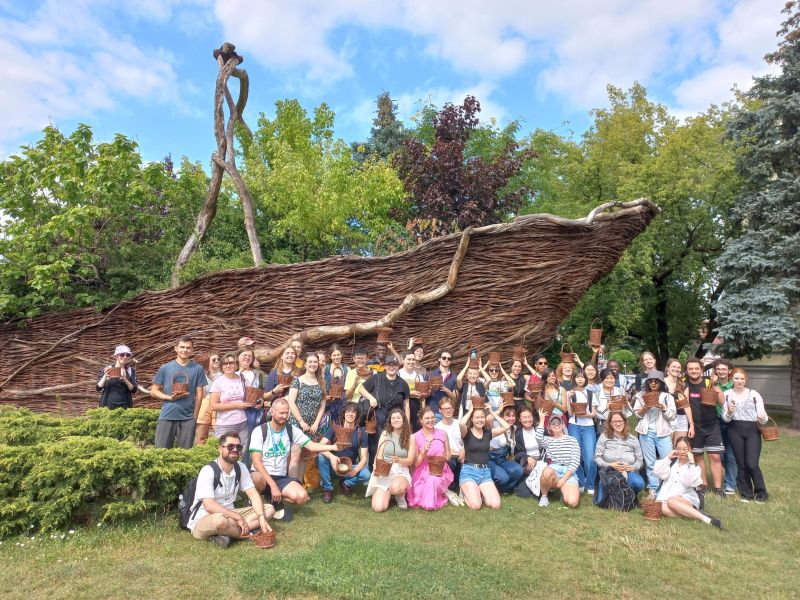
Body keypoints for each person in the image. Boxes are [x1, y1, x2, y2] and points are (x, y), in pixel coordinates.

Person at [250, 398, 337, 515]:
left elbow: (312, 446)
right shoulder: (259, 431)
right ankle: (254, 501)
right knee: (256, 479)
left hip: (280, 476)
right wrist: (272, 485)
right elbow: (256, 462)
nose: (284, 416)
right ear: (272, 411)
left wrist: (333, 448)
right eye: (281, 413)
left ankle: (270, 497)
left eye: (287, 413)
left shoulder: (292, 430)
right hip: (261, 474)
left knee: (302, 497)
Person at [187, 431, 274, 548]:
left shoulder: (240, 467)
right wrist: (237, 517)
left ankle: (227, 534)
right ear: (220, 449)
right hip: (204, 518)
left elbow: (253, 494)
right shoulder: (208, 471)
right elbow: (209, 506)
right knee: (221, 521)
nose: (235, 450)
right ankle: (250, 534)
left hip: (230, 516)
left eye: (238, 447)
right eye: (230, 446)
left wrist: (261, 517)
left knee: (269, 509)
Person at [722, 368, 770, 502]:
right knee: (741, 463)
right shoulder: (727, 394)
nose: (739, 381)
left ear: (746, 379)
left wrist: (761, 417)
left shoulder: (754, 394)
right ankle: (746, 493)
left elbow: (764, 418)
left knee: (752, 463)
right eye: (736, 378)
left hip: (752, 430)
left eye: (742, 378)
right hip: (734, 430)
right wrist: (730, 412)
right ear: (732, 379)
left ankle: (761, 493)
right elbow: (725, 419)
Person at [151, 336, 208, 449]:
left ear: (192, 350)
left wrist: (194, 417)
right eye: (182, 347)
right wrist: (168, 398)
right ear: (176, 348)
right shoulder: (165, 368)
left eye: (188, 348)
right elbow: (153, 391)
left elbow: (200, 394)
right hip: (167, 415)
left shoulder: (198, 368)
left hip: (187, 418)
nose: (185, 350)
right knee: (161, 453)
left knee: (185, 455)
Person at [654, 437, 723, 529]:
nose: (681, 451)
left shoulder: (694, 467)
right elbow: (659, 473)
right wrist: (668, 458)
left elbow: (688, 482)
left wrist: (691, 462)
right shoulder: (671, 463)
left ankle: (707, 519)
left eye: (685, 449)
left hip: (686, 498)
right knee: (660, 507)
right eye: (678, 449)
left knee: (672, 501)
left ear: (690, 450)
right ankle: (693, 514)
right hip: (667, 496)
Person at [683, 357, 725, 497]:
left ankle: (719, 489)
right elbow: (685, 405)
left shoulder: (708, 382)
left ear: (701, 370)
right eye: (690, 369)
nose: (693, 371)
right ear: (687, 371)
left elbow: (722, 401)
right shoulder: (684, 384)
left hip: (712, 425)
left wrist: (714, 384)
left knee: (715, 457)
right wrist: (691, 425)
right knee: (698, 457)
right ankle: (703, 486)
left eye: (696, 368)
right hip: (695, 428)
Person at [358, 354, 410, 465]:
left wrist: (407, 423)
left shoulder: (403, 384)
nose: (392, 367)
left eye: (394, 365)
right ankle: (375, 470)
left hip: (395, 419)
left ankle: (391, 470)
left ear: (398, 367)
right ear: (385, 366)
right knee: (375, 445)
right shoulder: (376, 378)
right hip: (378, 416)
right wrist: (371, 397)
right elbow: (361, 389)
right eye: (389, 365)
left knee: (392, 444)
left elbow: (406, 405)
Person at [459, 405, 511, 510]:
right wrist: (471, 410)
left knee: (495, 505)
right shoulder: (466, 433)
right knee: (476, 506)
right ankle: (464, 493)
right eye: (477, 417)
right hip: (469, 472)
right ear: (472, 419)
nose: (480, 420)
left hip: (485, 473)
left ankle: (478, 492)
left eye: (482, 417)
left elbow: (506, 426)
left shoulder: (488, 433)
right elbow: (461, 423)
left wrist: (492, 412)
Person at [632, 371, 675, 498]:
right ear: (647, 382)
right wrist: (645, 407)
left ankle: (668, 488)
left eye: (656, 381)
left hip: (663, 433)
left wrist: (664, 408)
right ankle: (654, 489)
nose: (653, 383)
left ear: (661, 383)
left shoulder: (667, 397)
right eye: (651, 381)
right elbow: (637, 415)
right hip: (646, 433)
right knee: (650, 463)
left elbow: (672, 416)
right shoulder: (641, 395)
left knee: (667, 461)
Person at [316, 403, 370, 503]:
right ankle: (328, 488)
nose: (351, 414)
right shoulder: (335, 428)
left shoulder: (361, 432)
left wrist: (356, 469)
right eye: (348, 411)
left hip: (348, 468)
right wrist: (332, 457)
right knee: (321, 456)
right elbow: (320, 446)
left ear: (357, 415)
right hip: (333, 466)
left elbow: (364, 458)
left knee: (366, 475)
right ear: (344, 413)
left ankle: (346, 483)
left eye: (354, 412)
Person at [366, 408, 418, 512]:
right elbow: (379, 454)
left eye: (398, 418)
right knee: (378, 508)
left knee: (396, 488)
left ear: (403, 420)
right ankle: (388, 493)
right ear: (390, 421)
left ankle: (399, 495)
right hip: (385, 470)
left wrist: (399, 460)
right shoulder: (385, 434)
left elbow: (411, 460)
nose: (396, 420)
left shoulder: (411, 438)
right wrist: (376, 466)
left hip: (400, 471)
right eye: (393, 418)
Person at [286, 352, 327, 480]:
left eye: (315, 362)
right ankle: (290, 484)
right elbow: (291, 402)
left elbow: (322, 405)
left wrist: (316, 423)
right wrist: (301, 421)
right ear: (305, 364)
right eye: (310, 362)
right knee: (295, 455)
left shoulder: (321, 381)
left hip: (312, 426)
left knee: (305, 456)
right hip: (297, 423)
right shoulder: (297, 380)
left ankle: (300, 484)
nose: (313, 364)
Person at [208, 352, 254, 458]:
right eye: (225, 363)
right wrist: (236, 405)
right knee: (225, 454)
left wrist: (257, 402)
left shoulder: (243, 379)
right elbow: (213, 405)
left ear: (236, 365)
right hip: (225, 424)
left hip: (243, 423)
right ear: (221, 366)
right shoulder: (218, 382)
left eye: (231, 363)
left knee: (241, 454)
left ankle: (240, 474)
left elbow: (249, 396)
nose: (228, 365)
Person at [408, 406, 454, 510]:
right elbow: (416, 464)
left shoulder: (442, 434)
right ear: (421, 421)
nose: (430, 420)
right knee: (418, 494)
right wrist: (423, 452)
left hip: (440, 471)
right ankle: (439, 494)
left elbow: (448, 455)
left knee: (432, 481)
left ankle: (429, 504)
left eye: (432, 417)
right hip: (422, 471)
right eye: (427, 418)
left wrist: (445, 457)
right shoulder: (415, 437)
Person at [593, 413, 645, 506]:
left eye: (620, 421)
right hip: (609, 473)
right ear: (610, 423)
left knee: (639, 483)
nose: (617, 424)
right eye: (614, 421)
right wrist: (610, 465)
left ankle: (628, 495)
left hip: (628, 472)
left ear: (625, 422)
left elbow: (640, 461)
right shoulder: (603, 437)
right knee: (600, 502)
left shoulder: (633, 440)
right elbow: (597, 458)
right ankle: (617, 495)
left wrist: (631, 467)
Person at [534, 412, 581, 508]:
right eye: (553, 423)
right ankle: (544, 497)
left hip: (568, 472)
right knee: (546, 471)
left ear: (563, 425)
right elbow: (538, 437)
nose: (556, 424)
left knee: (572, 503)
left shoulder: (572, 440)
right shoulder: (548, 440)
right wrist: (542, 419)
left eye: (559, 422)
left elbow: (575, 462)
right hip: (554, 469)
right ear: (549, 427)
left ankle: (563, 493)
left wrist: (564, 479)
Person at [566, 369, 597, 495]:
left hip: (588, 426)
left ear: (585, 379)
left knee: (589, 457)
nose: (580, 379)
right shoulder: (570, 392)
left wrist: (586, 414)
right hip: (574, 425)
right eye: (577, 377)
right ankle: (580, 482)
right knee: (576, 456)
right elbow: (569, 413)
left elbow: (594, 413)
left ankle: (590, 484)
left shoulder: (590, 393)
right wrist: (568, 399)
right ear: (574, 379)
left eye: (582, 377)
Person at [713, 359, 737, 496]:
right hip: (715, 421)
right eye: (718, 369)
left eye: (723, 369)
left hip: (731, 422)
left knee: (731, 454)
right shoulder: (712, 384)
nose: (721, 371)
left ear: (729, 371)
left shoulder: (735, 385)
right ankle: (729, 477)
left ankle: (730, 485)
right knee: (719, 455)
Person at [488, 405, 524, 494]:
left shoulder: (514, 429)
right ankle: (492, 486)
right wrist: (498, 411)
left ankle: (504, 489)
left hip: (502, 460)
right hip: (490, 459)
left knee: (518, 470)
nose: (511, 418)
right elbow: (488, 419)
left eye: (513, 416)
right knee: (503, 478)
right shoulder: (495, 425)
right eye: (508, 416)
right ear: (502, 416)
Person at [513, 406, 544, 498]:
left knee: (541, 491)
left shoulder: (539, 429)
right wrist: (527, 457)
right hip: (527, 464)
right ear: (519, 419)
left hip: (541, 463)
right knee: (523, 493)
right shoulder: (518, 433)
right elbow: (517, 453)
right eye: (524, 417)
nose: (528, 420)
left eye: (529, 417)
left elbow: (547, 447)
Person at [434, 397, 464, 493]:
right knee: (450, 460)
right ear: (440, 410)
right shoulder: (437, 428)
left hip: (462, 455)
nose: (448, 410)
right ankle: (450, 485)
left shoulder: (459, 424)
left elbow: (467, 440)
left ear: (453, 409)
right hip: (449, 458)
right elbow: (440, 448)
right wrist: (457, 453)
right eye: (445, 408)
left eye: (450, 408)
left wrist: (463, 451)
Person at [664, 358, 694, 445]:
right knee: (667, 448)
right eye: (673, 367)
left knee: (680, 447)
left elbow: (687, 406)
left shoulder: (683, 384)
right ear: (667, 368)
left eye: (678, 367)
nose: (676, 369)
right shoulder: (662, 383)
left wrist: (691, 424)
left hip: (681, 418)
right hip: (666, 418)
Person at [97, 344, 137, 410]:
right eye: (122, 355)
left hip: (125, 406)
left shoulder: (130, 371)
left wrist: (125, 380)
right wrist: (105, 377)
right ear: (116, 356)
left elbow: (134, 390)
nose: (125, 357)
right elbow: (98, 388)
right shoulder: (107, 369)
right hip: (107, 406)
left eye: (127, 355)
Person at [195, 351, 222, 445]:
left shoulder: (223, 375)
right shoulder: (202, 375)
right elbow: (201, 394)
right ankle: (200, 457)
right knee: (201, 437)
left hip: (219, 404)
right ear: (207, 362)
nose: (217, 361)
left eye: (218, 359)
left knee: (221, 436)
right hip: (205, 404)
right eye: (213, 359)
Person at [427, 349, 458, 421]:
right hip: (433, 412)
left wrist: (446, 390)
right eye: (444, 358)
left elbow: (455, 398)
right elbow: (424, 395)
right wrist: (430, 389)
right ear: (439, 359)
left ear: (451, 361)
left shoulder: (454, 377)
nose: (446, 360)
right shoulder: (431, 374)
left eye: (449, 359)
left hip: (447, 413)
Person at [398, 350, 425, 429]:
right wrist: (410, 393)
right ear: (403, 360)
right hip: (400, 407)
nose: (411, 361)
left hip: (415, 408)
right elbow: (394, 393)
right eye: (409, 359)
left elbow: (422, 397)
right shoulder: (398, 374)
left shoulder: (419, 376)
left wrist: (423, 412)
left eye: (413, 359)